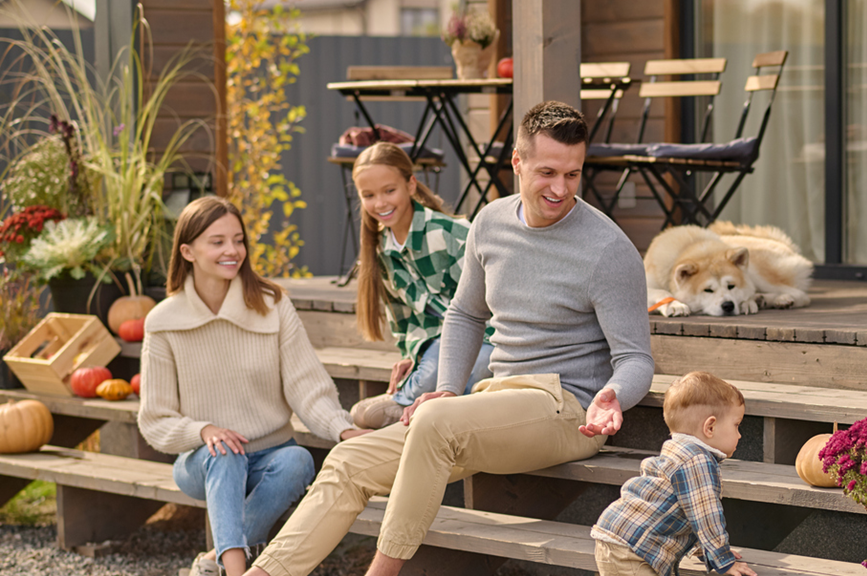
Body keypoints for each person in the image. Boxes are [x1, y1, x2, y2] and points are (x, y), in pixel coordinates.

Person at [245, 100, 655, 576]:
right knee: (347, 460)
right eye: (547, 173)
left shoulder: (607, 249)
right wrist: (445, 386)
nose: (560, 188)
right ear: (517, 163)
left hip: (566, 407)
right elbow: (464, 314)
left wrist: (613, 394)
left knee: (436, 421)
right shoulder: (490, 223)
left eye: (572, 174)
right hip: (494, 398)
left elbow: (635, 359)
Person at [137, 197, 371, 576]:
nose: (232, 251)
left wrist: (342, 428)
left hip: (270, 456)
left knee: (298, 460)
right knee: (225, 452)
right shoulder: (164, 321)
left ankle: (214, 561)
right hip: (202, 461)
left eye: (238, 240)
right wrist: (203, 431)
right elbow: (155, 420)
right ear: (187, 251)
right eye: (217, 242)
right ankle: (236, 570)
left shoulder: (272, 305)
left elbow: (306, 386)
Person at [347, 142, 494, 429]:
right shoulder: (381, 254)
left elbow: (492, 303)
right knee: (438, 358)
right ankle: (428, 408)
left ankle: (407, 404)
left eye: (390, 191)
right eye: (369, 195)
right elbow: (404, 322)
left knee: (463, 362)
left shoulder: (450, 234)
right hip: (438, 348)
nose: (380, 203)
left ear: (411, 186)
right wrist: (411, 355)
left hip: (485, 341)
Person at [591, 371, 757, 576]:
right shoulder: (697, 460)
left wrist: (708, 550)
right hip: (633, 549)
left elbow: (683, 511)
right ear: (710, 427)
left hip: (622, 538)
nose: (739, 435)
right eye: (736, 425)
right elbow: (705, 514)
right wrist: (723, 559)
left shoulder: (676, 450)